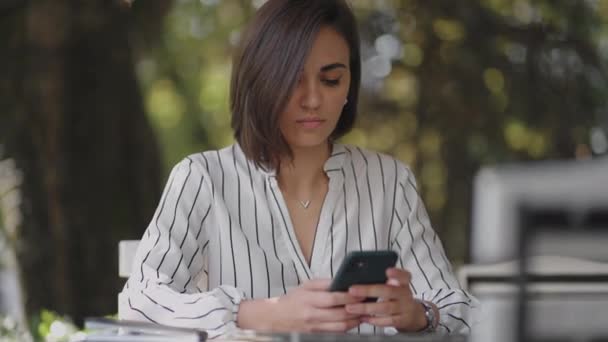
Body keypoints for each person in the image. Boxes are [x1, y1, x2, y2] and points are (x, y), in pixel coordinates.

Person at [118, 0, 478, 338]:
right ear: (261, 82)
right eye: (292, 79)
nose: (313, 100)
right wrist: (261, 314)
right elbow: (138, 304)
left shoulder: (390, 181)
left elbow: (461, 310)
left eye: (331, 80)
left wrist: (419, 314)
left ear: (349, 84)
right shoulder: (202, 178)